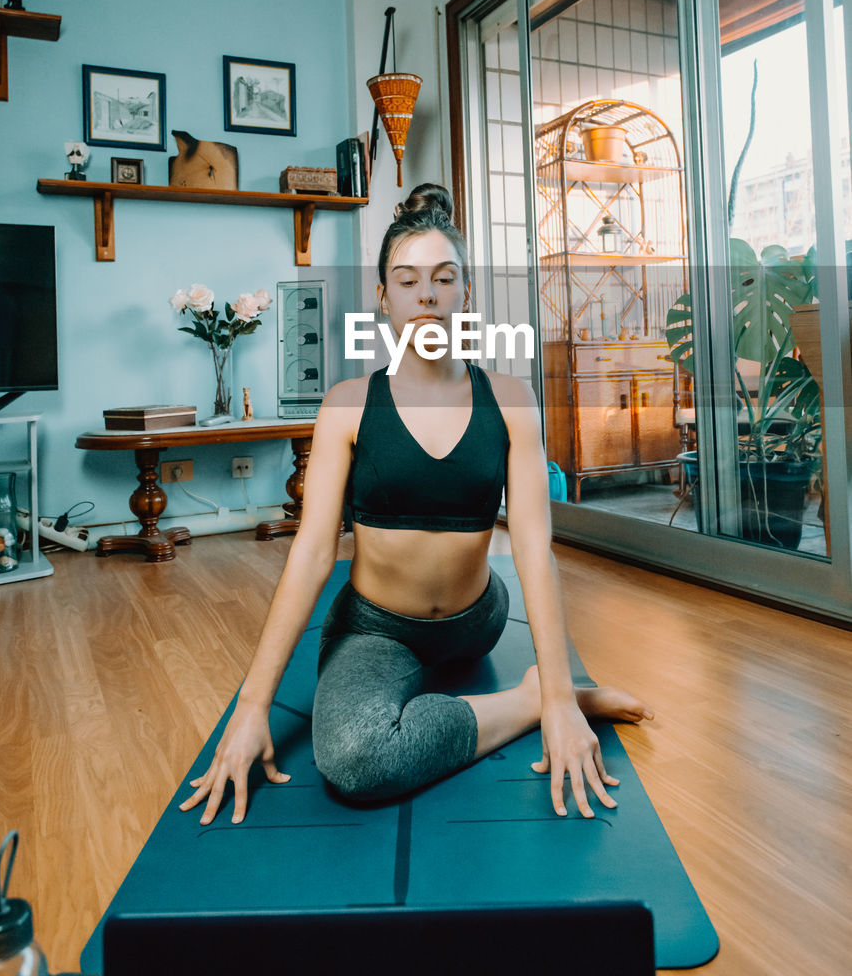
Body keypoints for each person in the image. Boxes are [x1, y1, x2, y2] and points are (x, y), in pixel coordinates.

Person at [180, 183, 652, 826]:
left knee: (510, 651)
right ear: (383, 297)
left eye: (443, 278)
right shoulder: (347, 405)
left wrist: (567, 692)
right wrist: (251, 706)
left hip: (478, 619)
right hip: (379, 628)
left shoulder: (511, 399)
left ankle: (553, 694)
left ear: (466, 295)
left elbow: (536, 550)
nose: (426, 294)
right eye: (406, 280)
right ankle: (526, 702)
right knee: (354, 760)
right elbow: (314, 552)